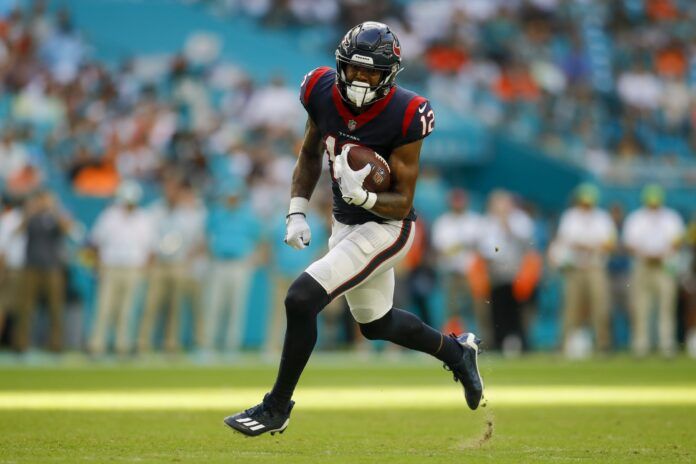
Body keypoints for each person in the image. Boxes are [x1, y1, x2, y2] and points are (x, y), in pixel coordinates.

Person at [224, 22, 484, 437]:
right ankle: (456, 352)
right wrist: (295, 211)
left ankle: (276, 407)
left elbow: (403, 200)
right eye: (355, 70)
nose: (361, 80)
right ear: (341, 65)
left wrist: (364, 199)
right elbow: (310, 153)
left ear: (390, 75)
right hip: (344, 224)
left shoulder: (407, 112)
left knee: (301, 298)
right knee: (376, 324)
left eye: (372, 73)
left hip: (388, 227)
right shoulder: (320, 90)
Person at [88, 181, 154, 355]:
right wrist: (98, 265)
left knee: (127, 310)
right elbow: (95, 243)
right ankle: (97, 345)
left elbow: (149, 247)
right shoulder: (109, 216)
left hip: (133, 268)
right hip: (111, 266)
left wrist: (145, 270)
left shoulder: (143, 219)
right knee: (104, 308)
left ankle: (121, 345)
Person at [552, 183, 616, 355]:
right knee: (570, 308)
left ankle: (603, 344)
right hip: (575, 268)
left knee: (600, 306)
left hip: (595, 267)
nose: (586, 206)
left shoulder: (602, 218)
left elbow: (609, 244)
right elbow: (565, 240)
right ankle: (563, 344)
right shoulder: (570, 216)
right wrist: (590, 245)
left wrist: (587, 246)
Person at [623, 185, 685, 357]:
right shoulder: (636, 218)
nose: (653, 206)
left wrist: (661, 254)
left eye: (656, 203)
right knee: (641, 307)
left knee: (666, 307)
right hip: (643, 266)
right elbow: (629, 243)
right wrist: (646, 254)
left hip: (664, 266)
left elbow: (678, 241)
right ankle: (640, 346)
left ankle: (666, 345)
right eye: (651, 203)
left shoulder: (671, 218)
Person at [15, 190, 72, 353]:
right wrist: (30, 210)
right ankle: (21, 344)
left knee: (55, 308)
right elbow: (18, 231)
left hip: (53, 267)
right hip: (31, 266)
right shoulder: (31, 217)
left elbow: (67, 230)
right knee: (26, 307)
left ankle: (55, 345)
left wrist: (54, 209)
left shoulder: (55, 217)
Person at [431, 189, 487, 338]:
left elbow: (483, 246)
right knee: (451, 310)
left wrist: (459, 247)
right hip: (451, 272)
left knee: (479, 309)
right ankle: (450, 341)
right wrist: (461, 246)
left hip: (472, 272)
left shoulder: (475, 221)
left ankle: (483, 340)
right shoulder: (443, 222)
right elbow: (441, 249)